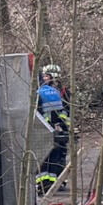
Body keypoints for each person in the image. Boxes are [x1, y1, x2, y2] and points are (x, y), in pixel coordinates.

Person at [36, 64, 70, 195]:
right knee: (57, 156)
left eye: (46, 76)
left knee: (48, 157)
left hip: (46, 129)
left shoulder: (43, 92)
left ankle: (46, 183)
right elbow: (66, 112)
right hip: (58, 128)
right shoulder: (59, 92)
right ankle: (55, 182)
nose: (44, 78)